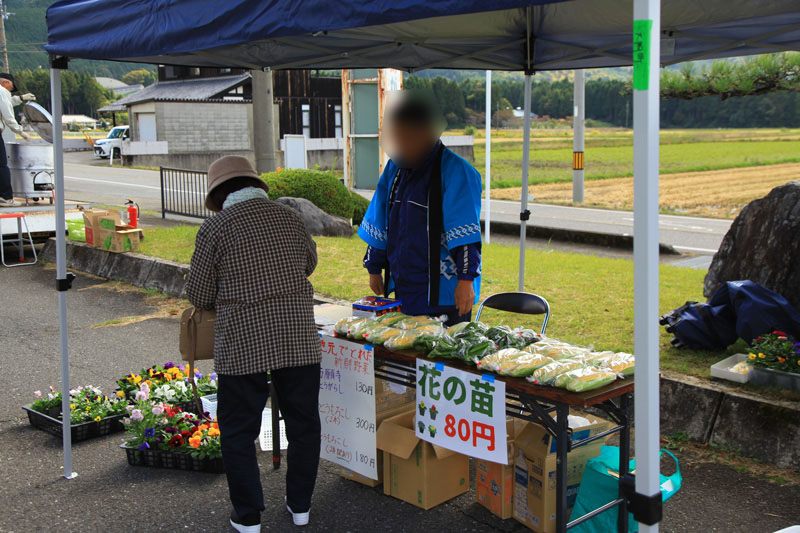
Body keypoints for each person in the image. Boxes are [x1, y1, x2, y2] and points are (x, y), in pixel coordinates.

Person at [185, 156, 321, 532]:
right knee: (304, 424)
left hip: (241, 341)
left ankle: (247, 516)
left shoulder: (214, 229)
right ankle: (300, 507)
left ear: (219, 193)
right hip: (297, 337)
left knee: (238, 430)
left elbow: (199, 292)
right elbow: (308, 263)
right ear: (253, 185)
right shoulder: (290, 218)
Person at [358, 92, 483, 325]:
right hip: (405, 285)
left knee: (440, 355)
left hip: (445, 291)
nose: (402, 144)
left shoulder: (456, 172)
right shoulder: (395, 170)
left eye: (408, 137)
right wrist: (374, 268)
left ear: (426, 134)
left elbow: (465, 231)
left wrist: (466, 282)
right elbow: (380, 219)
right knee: (406, 347)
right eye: (398, 137)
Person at [0, 73, 35, 207]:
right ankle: (5, 197)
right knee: (1, 165)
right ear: (6, 83)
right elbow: (7, 114)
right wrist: (20, 131)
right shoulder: (2, 91)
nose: (9, 91)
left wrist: (20, 98)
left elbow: (6, 102)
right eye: (11, 88)